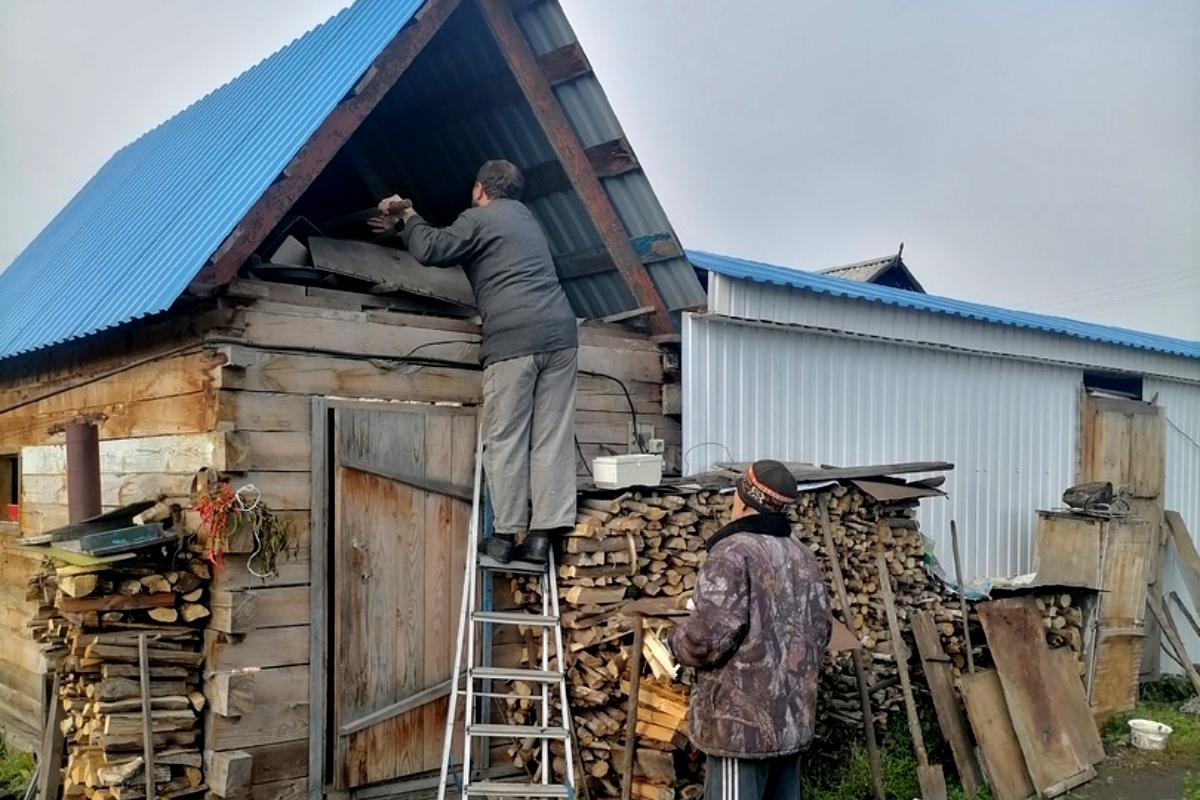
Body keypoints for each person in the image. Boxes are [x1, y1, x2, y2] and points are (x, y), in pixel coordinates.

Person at [369, 160, 578, 566]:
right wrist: (402, 229)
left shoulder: (480, 218)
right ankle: (540, 540)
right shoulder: (526, 219)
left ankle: (503, 536)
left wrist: (408, 215)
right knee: (551, 436)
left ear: (480, 188)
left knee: (506, 437)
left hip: (514, 338)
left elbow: (434, 249)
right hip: (561, 335)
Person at [670, 460, 833, 800]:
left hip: (739, 731)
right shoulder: (803, 557)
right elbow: (821, 633)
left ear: (742, 499)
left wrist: (673, 641)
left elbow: (704, 641)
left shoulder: (732, 553)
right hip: (790, 725)